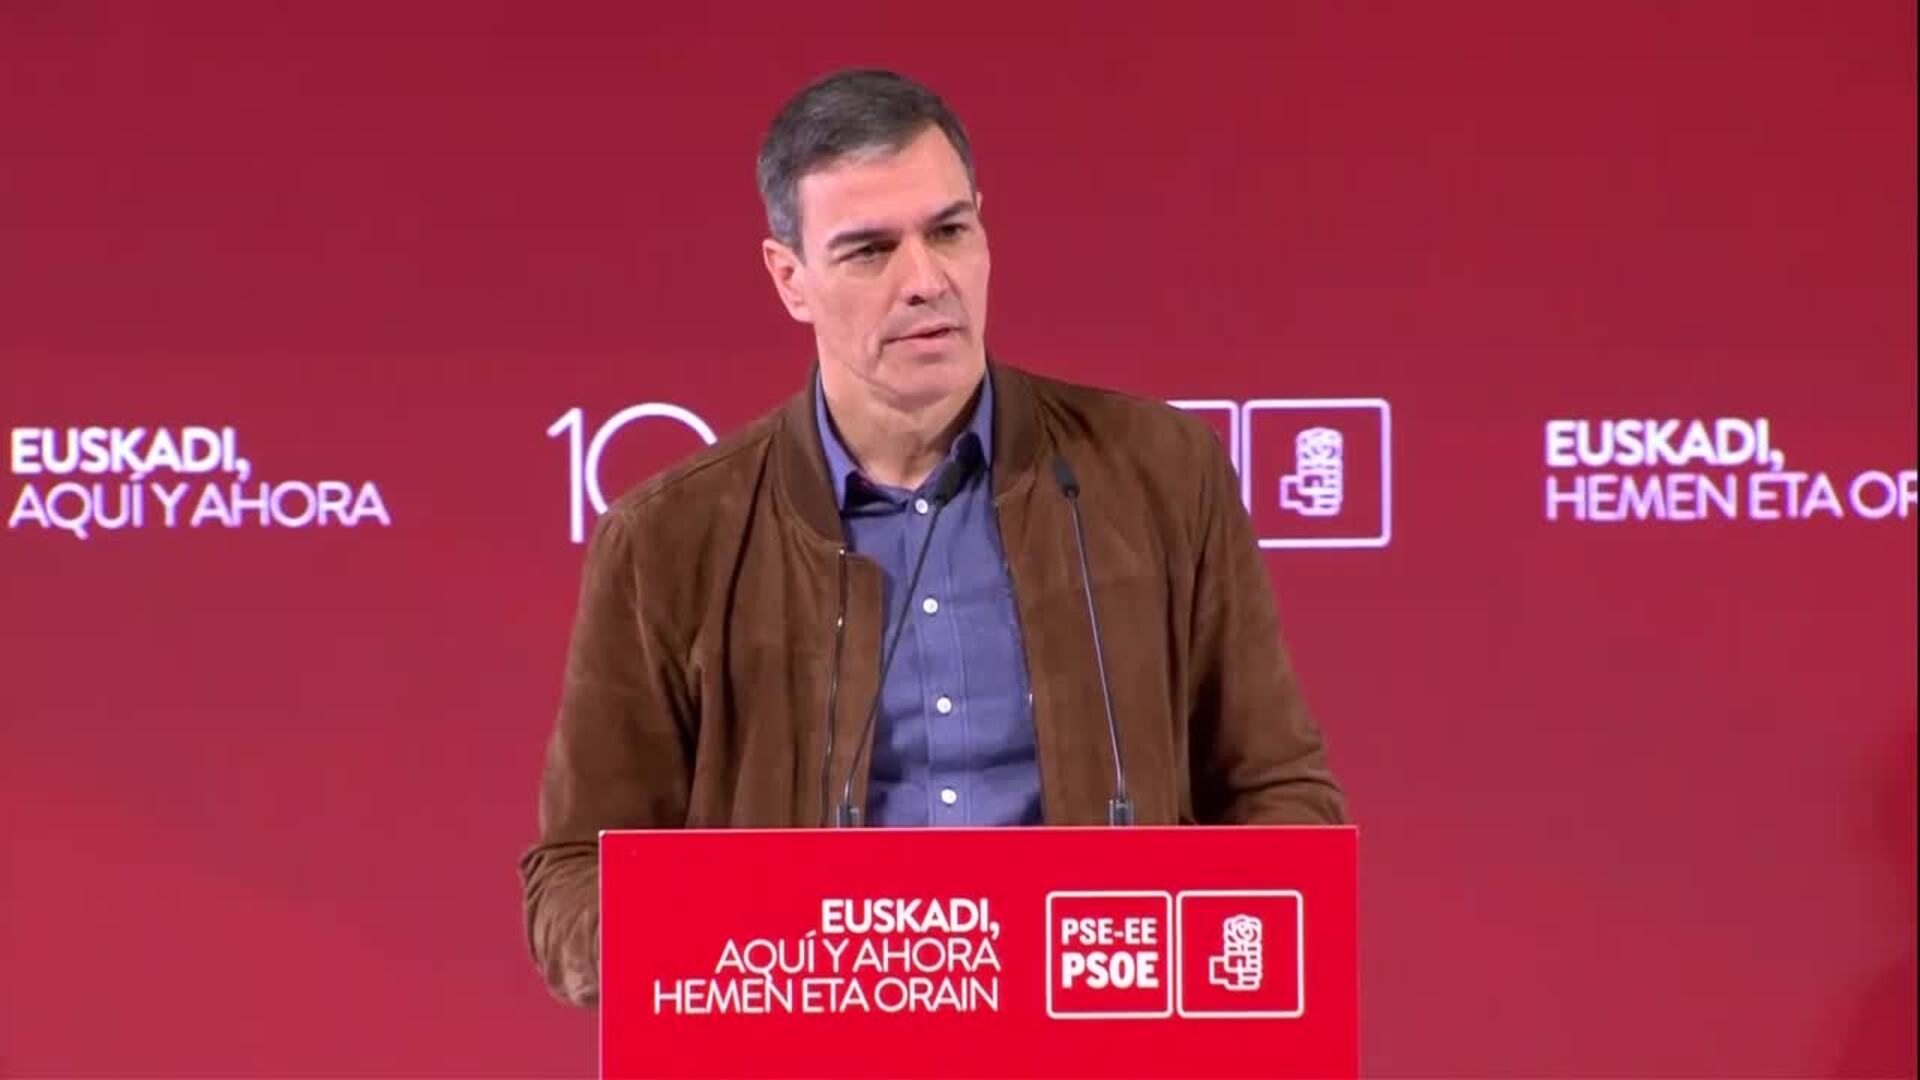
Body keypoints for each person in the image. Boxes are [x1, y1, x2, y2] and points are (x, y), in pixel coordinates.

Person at [518, 68, 1346, 1007]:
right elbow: (574, 880)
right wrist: (744, 956)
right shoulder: (667, 540)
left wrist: (1207, 974)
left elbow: (1281, 795)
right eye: (870, 250)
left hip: (1098, 1033)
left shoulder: (1158, 473)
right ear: (790, 278)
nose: (926, 281)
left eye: (949, 231)